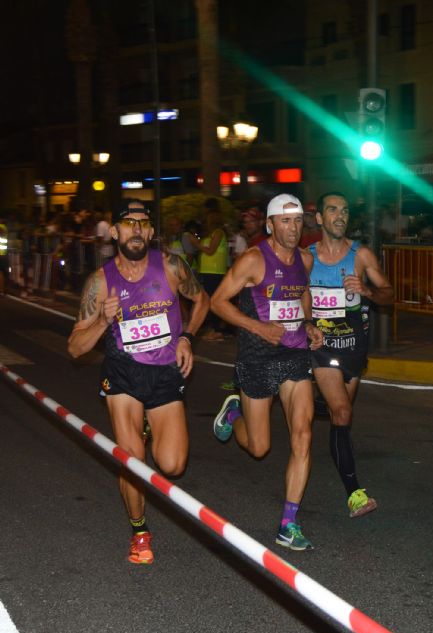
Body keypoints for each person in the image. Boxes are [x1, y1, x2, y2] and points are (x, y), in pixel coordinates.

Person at [68, 199, 209, 564]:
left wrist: (187, 337)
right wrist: (101, 321)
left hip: (164, 371)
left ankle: (148, 427)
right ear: (114, 232)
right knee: (132, 460)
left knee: (173, 464)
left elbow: (202, 300)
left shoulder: (172, 267)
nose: (136, 230)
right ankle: (139, 530)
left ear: (150, 232)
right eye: (128, 224)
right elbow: (75, 347)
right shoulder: (100, 282)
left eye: (142, 225)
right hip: (123, 374)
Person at [210, 194, 323, 551]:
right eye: (285, 221)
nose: (293, 228)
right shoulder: (253, 260)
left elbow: (302, 293)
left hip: (294, 354)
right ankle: (235, 412)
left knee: (303, 434)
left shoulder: (305, 259)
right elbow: (217, 302)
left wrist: (308, 321)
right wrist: (256, 327)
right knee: (258, 448)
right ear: (271, 224)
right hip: (257, 357)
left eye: (298, 221)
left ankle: (289, 523)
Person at [308, 191, 394, 517]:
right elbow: (296, 298)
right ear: (319, 218)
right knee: (342, 412)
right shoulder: (306, 258)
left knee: (336, 413)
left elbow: (389, 294)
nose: (340, 215)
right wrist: (305, 324)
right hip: (321, 348)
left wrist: (367, 290)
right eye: (332, 209)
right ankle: (354, 493)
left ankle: (279, 397)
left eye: (344, 210)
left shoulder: (361, 256)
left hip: (354, 351)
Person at [191, 197, 229, 341]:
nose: (204, 220)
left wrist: (196, 244)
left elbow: (210, 250)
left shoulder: (218, 232)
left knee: (212, 301)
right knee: (208, 300)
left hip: (215, 272)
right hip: (207, 272)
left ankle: (217, 330)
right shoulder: (210, 234)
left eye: (207, 218)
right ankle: (215, 328)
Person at [0, 216, 8, 296]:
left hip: (1, 254)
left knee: (1, 273)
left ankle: (2, 291)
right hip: (2, 254)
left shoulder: (2, 227)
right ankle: (2, 291)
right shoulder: (4, 227)